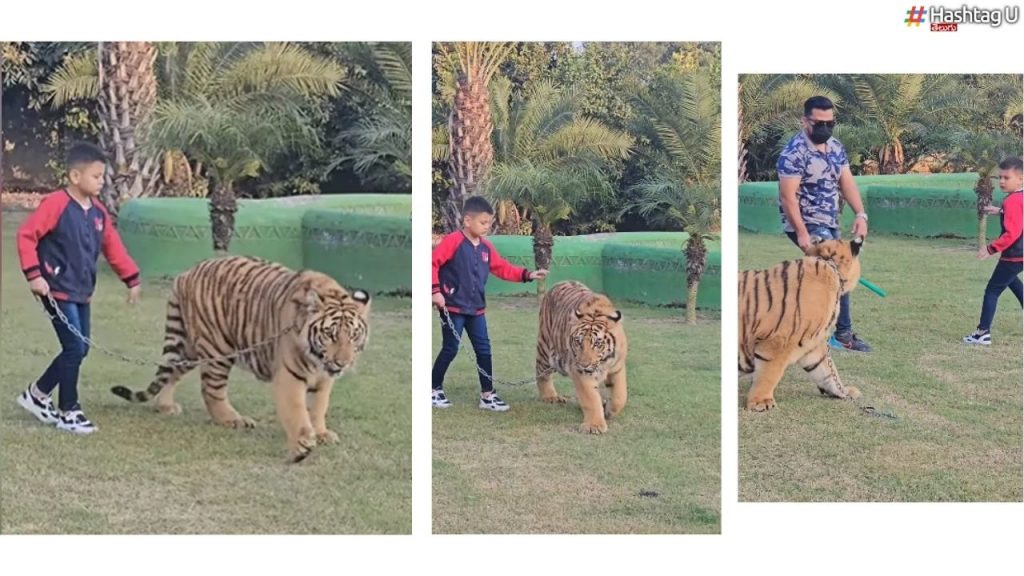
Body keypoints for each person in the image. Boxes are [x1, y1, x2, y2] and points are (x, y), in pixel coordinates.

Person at [15, 142, 141, 434]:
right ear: (75, 176)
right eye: (96, 176)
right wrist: (35, 276)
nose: (101, 181)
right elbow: (26, 236)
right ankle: (69, 411)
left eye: (102, 176)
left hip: (82, 292)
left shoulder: (98, 213)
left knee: (80, 348)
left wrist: (131, 278)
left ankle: (37, 394)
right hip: (55, 290)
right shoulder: (56, 205)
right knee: (74, 348)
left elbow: (113, 248)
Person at [431, 196, 548, 411]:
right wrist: (435, 292)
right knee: (450, 349)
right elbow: (432, 263)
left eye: (489, 223)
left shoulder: (486, 247)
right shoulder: (453, 241)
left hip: (476, 309)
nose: (487, 227)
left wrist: (528, 274)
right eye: (483, 223)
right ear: (467, 221)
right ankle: (433, 389)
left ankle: (487, 395)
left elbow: (502, 268)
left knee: (484, 350)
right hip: (453, 308)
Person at [777, 95, 872, 352]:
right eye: (819, 123)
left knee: (838, 274)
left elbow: (847, 183)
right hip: (806, 223)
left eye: (830, 124)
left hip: (830, 219)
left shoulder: (836, 147)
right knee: (836, 272)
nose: (825, 129)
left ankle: (822, 331)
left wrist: (861, 215)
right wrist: (802, 233)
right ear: (805, 121)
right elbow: (787, 197)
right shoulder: (793, 152)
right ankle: (840, 334)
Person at [964, 157, 1023, 345]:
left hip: (1014, 255)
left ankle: (983, 333)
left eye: (1007, 178)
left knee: (992, 291)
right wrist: (1000, 211)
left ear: (1021, 179)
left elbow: (1012, 233)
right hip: (1020, 255)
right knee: (1011, 281)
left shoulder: (1013, 201)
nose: (1002, 182)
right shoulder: (1019, 197)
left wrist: (990, 248)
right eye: (1000, 178)